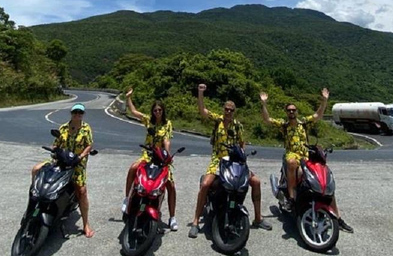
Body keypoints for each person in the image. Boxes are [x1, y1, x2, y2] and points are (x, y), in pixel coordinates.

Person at [259, 88, 354, 233]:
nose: (291, 112)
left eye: (293, 110)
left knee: (324, 180)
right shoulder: (284, 126)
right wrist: (264, 104)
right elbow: (267, 120)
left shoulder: (303, 123)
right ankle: (291, 199)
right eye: (289, 110)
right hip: (292, 155)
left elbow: (318, 115)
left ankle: (338, 217)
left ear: (296, 112)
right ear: (286, 112)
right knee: (291, 163)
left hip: (306, 156)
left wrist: (324, 100)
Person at [188, 83, 272, 238]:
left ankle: (258, 218)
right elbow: (203, 111)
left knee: (256, 182)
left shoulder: (238, 126)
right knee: (206, 184)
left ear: (234, 112)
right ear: (223, 109)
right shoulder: (217, 120)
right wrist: (200, 94)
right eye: (226, 109)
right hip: (218, 160)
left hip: (235, 161)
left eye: (231, 110)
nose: (228, 112)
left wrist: (242, 155)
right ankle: (195, 221)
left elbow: (242, 143)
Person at [31, 103, 95, 237]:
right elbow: (57, 143)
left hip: (76, 164)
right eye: (75, 112)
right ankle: (33, 204)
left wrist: (81, 156)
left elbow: (89, 145)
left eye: (80, 112)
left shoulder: (86, 128)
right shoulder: (63, 128)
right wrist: (54, 148)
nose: (77, 114)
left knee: (82, 191)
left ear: (83, 114)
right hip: (60, 161)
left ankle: (86, 224)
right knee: (36, 169)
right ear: (71, 113)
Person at [122, 88, 178, 231]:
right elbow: (134, 112)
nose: (157, 112)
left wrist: (167, 155)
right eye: (155, 110)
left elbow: (167, 140)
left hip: (161, 158)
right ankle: (127, 199)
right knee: (133, 168)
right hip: (148, 155)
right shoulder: (148, 121)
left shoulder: (167, 124)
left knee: (170, 185)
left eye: (159, 110)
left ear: (163, 111)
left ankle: (172, 217)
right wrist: (128, 98)